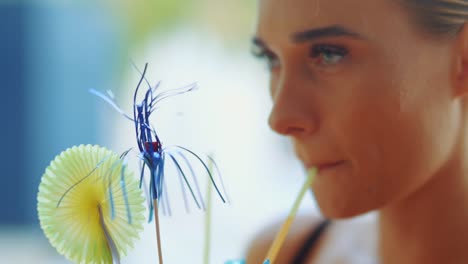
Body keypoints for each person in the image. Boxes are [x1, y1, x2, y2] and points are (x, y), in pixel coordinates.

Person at [246, 0, 468, 263]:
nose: (279, 120)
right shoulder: (286, 253)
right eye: (271, 59)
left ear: (463, 61)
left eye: (329, 54)